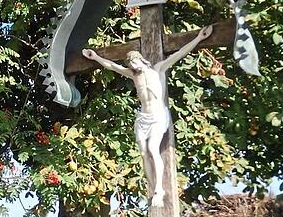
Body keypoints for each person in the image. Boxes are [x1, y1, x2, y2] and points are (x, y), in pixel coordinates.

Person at [82, 25, 213, 206]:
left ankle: (160, 188)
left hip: (158, 115)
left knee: (153, 149)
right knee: (144, 153)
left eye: (134, 63)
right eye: (130, 65)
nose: (132, 66)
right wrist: (95, 57)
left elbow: (180, 53)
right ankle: (153, 190)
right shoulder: (133, 75)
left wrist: (199, 38)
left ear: (141, 60)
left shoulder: (158, 69)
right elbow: (112, 66)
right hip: (142, 118)